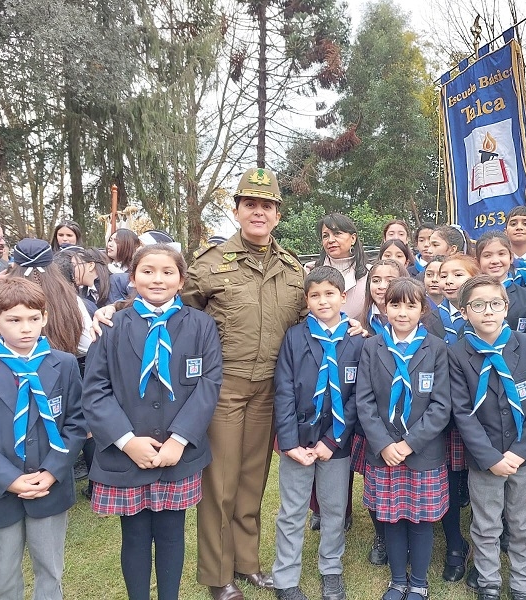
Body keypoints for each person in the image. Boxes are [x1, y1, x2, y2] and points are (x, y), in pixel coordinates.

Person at [183, 167, 306, 600]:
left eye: (266, 205)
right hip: (223, 388)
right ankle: (218, 576)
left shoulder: (293, 268)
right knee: (220, 483)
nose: (258, 212)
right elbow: (179, 316)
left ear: (277, 214)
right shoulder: (210, 265)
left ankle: (246, 562)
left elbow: (307, 325)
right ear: (236, 210)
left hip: (269, 388)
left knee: (253, 479)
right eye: (250, 204)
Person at [83, 243, 222, 600]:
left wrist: (180, 439)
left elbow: (208, 384)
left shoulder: (201, 325)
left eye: (167, 272)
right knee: (134, 535)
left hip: (179, 454)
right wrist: (126, 440)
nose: (157, 279)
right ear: (132, 278)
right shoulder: (111, 325)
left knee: (173, 533)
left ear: (181, 280)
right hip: (126, 454)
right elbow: (96, 390)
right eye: (147, 271)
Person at [0, 278, 87, 599]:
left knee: (50, 571)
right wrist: (10, 479)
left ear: (45, 317)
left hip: (50, 486)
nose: (26, 328)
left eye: (34, 318)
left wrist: (52, 471)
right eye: (14, 320)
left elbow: (75, 423)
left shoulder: (64, 364)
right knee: (3, 578)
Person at [449, 275, 526, 600]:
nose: (487, 311)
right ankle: (489, 581)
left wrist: (520, 452)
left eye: (495, 304)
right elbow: (462, 412)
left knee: (522, 524)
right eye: (478, 305)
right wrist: (491, 457)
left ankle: (522, 583)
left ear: (505, 307)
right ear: (465, 312)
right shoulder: (458, 352)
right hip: (485, 458)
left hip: (524, 456)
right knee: (486, 523)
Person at [272, 266, 365, 600]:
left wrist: (332, 441)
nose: (323, 301)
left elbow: (356, 398)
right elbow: (283, 391)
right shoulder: (295, 337)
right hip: (297, 439)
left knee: (334, 508)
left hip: (335, 442)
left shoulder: (357, 339)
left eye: (330, 294)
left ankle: (331, 569)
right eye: (315, 295)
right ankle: (285, 577)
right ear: (306, 299)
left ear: (343, 297)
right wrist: (289, 443)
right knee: (293, 510)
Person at [356, 278, 451, 600]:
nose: (402, 312)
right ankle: (398, 580)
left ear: (422, 309)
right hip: (384, 452)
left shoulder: (436, 348)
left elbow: (441, 405)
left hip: (422, 451)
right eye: (395, 304)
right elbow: (364, 402)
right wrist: (384, 444)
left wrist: (410, 443)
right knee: (391, 517)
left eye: (411, 305)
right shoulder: (372, 347)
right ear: (385, 307)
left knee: (421, 519)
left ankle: (419, 582)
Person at [424, 254, 479, 582]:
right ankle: (455, 546)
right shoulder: (429, 316)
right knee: (446, 479)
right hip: (438, 414)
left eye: (457, 274)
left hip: (476, 414)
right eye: (443, 275)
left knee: (477, 485)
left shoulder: (483, 314)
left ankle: (485, 545)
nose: (447, 280)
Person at [356, 259, 409, 565]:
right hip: (372, 421)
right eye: (375, 279)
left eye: (390, 279)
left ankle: (406, 533)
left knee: (404, 483)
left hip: (408, 422)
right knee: (375, 482)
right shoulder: (358, 319)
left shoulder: (415, 317)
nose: (381, 285)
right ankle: (382, 534)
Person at [0, 238, 92, 359]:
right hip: (60, 373)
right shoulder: (70, 297)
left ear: (14, 265)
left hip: (10, 375)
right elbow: (88, 345)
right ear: (52, 265)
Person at [306, 214, 369, 320]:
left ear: (353, 238)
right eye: (325, 236)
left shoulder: (370, 273)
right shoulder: (309, 270)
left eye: (337, 233)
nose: (330, 240)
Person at [475, 232, 526, 337]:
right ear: (478, 261)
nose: (495, 261)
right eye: (487, 255)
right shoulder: (471, 294)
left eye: (501, 254)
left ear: (511, 257)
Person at [505, 206, 526, 288]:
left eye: (525, 224)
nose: (519, 227)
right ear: (505, 231)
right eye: (513, 224)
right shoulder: (499, 263)